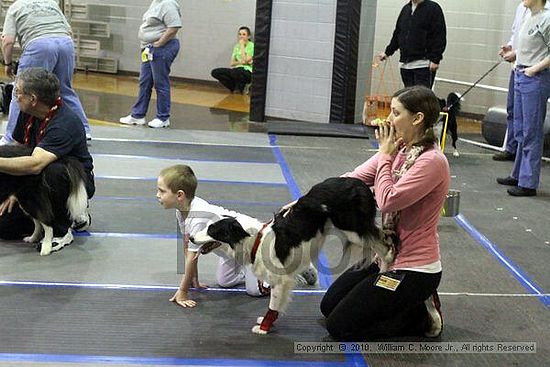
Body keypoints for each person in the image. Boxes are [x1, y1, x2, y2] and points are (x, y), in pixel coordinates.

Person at [319, 86, 450, 341]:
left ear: (417, 118)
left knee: (339, 327)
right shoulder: (398, 149)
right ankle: (396, 304)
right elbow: (352, 179)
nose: (388, 119)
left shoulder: (432, 161)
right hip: (385, 257)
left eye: (395, 112)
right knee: (329, 306)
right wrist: (307, 200)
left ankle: (420, 316)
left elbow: (389, 200)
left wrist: (385, 157)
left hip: (415, 270)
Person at [156, 165, 318, 308]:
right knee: (225, 282)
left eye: (161, 191)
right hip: (231, 251)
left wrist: (183, 291)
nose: (157, 194)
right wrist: (194, 279)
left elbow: (192, 257)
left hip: (253, 247)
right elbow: (188, 245)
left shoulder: (199, 216)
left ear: (180, 195)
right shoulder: (181, 211)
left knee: (254, 291)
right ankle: (250, 272)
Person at [0, 68, 94, 241]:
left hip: (71, 180)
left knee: (54, 171)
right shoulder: (27, 113)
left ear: (33, 99)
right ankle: (48, 216)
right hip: (33, 180)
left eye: (18, 92)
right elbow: (17, 149)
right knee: (4, 227)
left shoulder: (64, 124)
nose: (15, 96)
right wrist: (12, 191)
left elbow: (35, 165)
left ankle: (64, 226)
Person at [0, 0, 91, 144]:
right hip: (65, 43)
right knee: (64, 88)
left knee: (20, 92)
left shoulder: (15, 8)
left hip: (39, 45)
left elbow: (7, 41)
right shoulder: (51, 3)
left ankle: (11, 137)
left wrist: (8, 63)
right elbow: (69, 31)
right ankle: (84, 130)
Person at [497, 0, 550, 197]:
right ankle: (518, 174)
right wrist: (513, 53)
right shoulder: (528, 16)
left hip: (534, 78)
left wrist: (533, 69)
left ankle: (528, 182)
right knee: (519, 128)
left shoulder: (546, 19)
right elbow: (528, 47)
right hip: (520, 73)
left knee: (531, 131)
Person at [119, 0, 182, 129]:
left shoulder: (167, 4)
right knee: (144, 81)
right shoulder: (155, 3)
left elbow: (174, 27)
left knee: (160, 82)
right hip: (149, 48)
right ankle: (138, 115)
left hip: (162, 48)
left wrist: (159, 44)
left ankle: (163, 117)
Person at [378, 0, 446, 88]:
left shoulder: (433, 8)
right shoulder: (406, 9)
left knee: (421, 98)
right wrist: (387, 52)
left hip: (423, 64)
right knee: (409, 98)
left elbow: (439, 34)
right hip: (405, 65)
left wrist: (436, 59)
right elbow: (398, 33)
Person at [211, 26, 254, 94]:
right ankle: (234, 88)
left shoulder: (251, 46)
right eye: (239, 34)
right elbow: (232, 63)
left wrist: (242, 46)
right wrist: (241, 62)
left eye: (244, 34)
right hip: (236, 70)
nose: (241, 36)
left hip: (247, 71)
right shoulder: (236, 46)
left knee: (239, 72)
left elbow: (245, 60)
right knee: (215, 72)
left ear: (248, 36)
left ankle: (242, 87)